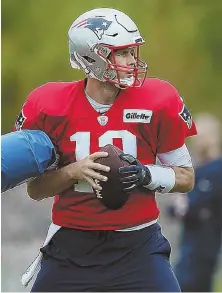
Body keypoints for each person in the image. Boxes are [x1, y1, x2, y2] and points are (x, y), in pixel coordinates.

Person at [15, 8, 197, 292]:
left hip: (138, 246)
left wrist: (146, 174)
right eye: (122, 53)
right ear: (91, 56)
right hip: (70, 248)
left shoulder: (158, 99)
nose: (132, 60)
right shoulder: (50, 104)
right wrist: (73, 171)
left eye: (133, 52)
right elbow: (35, 190)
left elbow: (186, 177)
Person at [170, 113, 222, 292]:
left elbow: (197, 207)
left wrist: (186, 208)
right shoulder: (197, 171)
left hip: (205, 246)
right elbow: (176, 207)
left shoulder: (217, 170)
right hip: (189, 244)